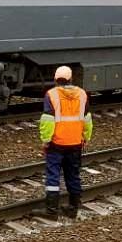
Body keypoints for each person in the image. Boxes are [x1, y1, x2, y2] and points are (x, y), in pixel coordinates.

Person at [38, 65, 92, 217]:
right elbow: (87, 119)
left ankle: (51, 210)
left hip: (56, 143)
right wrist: (86, 137)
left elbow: (47, 120)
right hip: (75, 143)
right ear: (71, 79)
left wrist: (46, 140)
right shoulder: (82, 94)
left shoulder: (51, 94)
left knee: (53, 176)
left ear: (56, 79)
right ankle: (73, 209)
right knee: (73, 174)